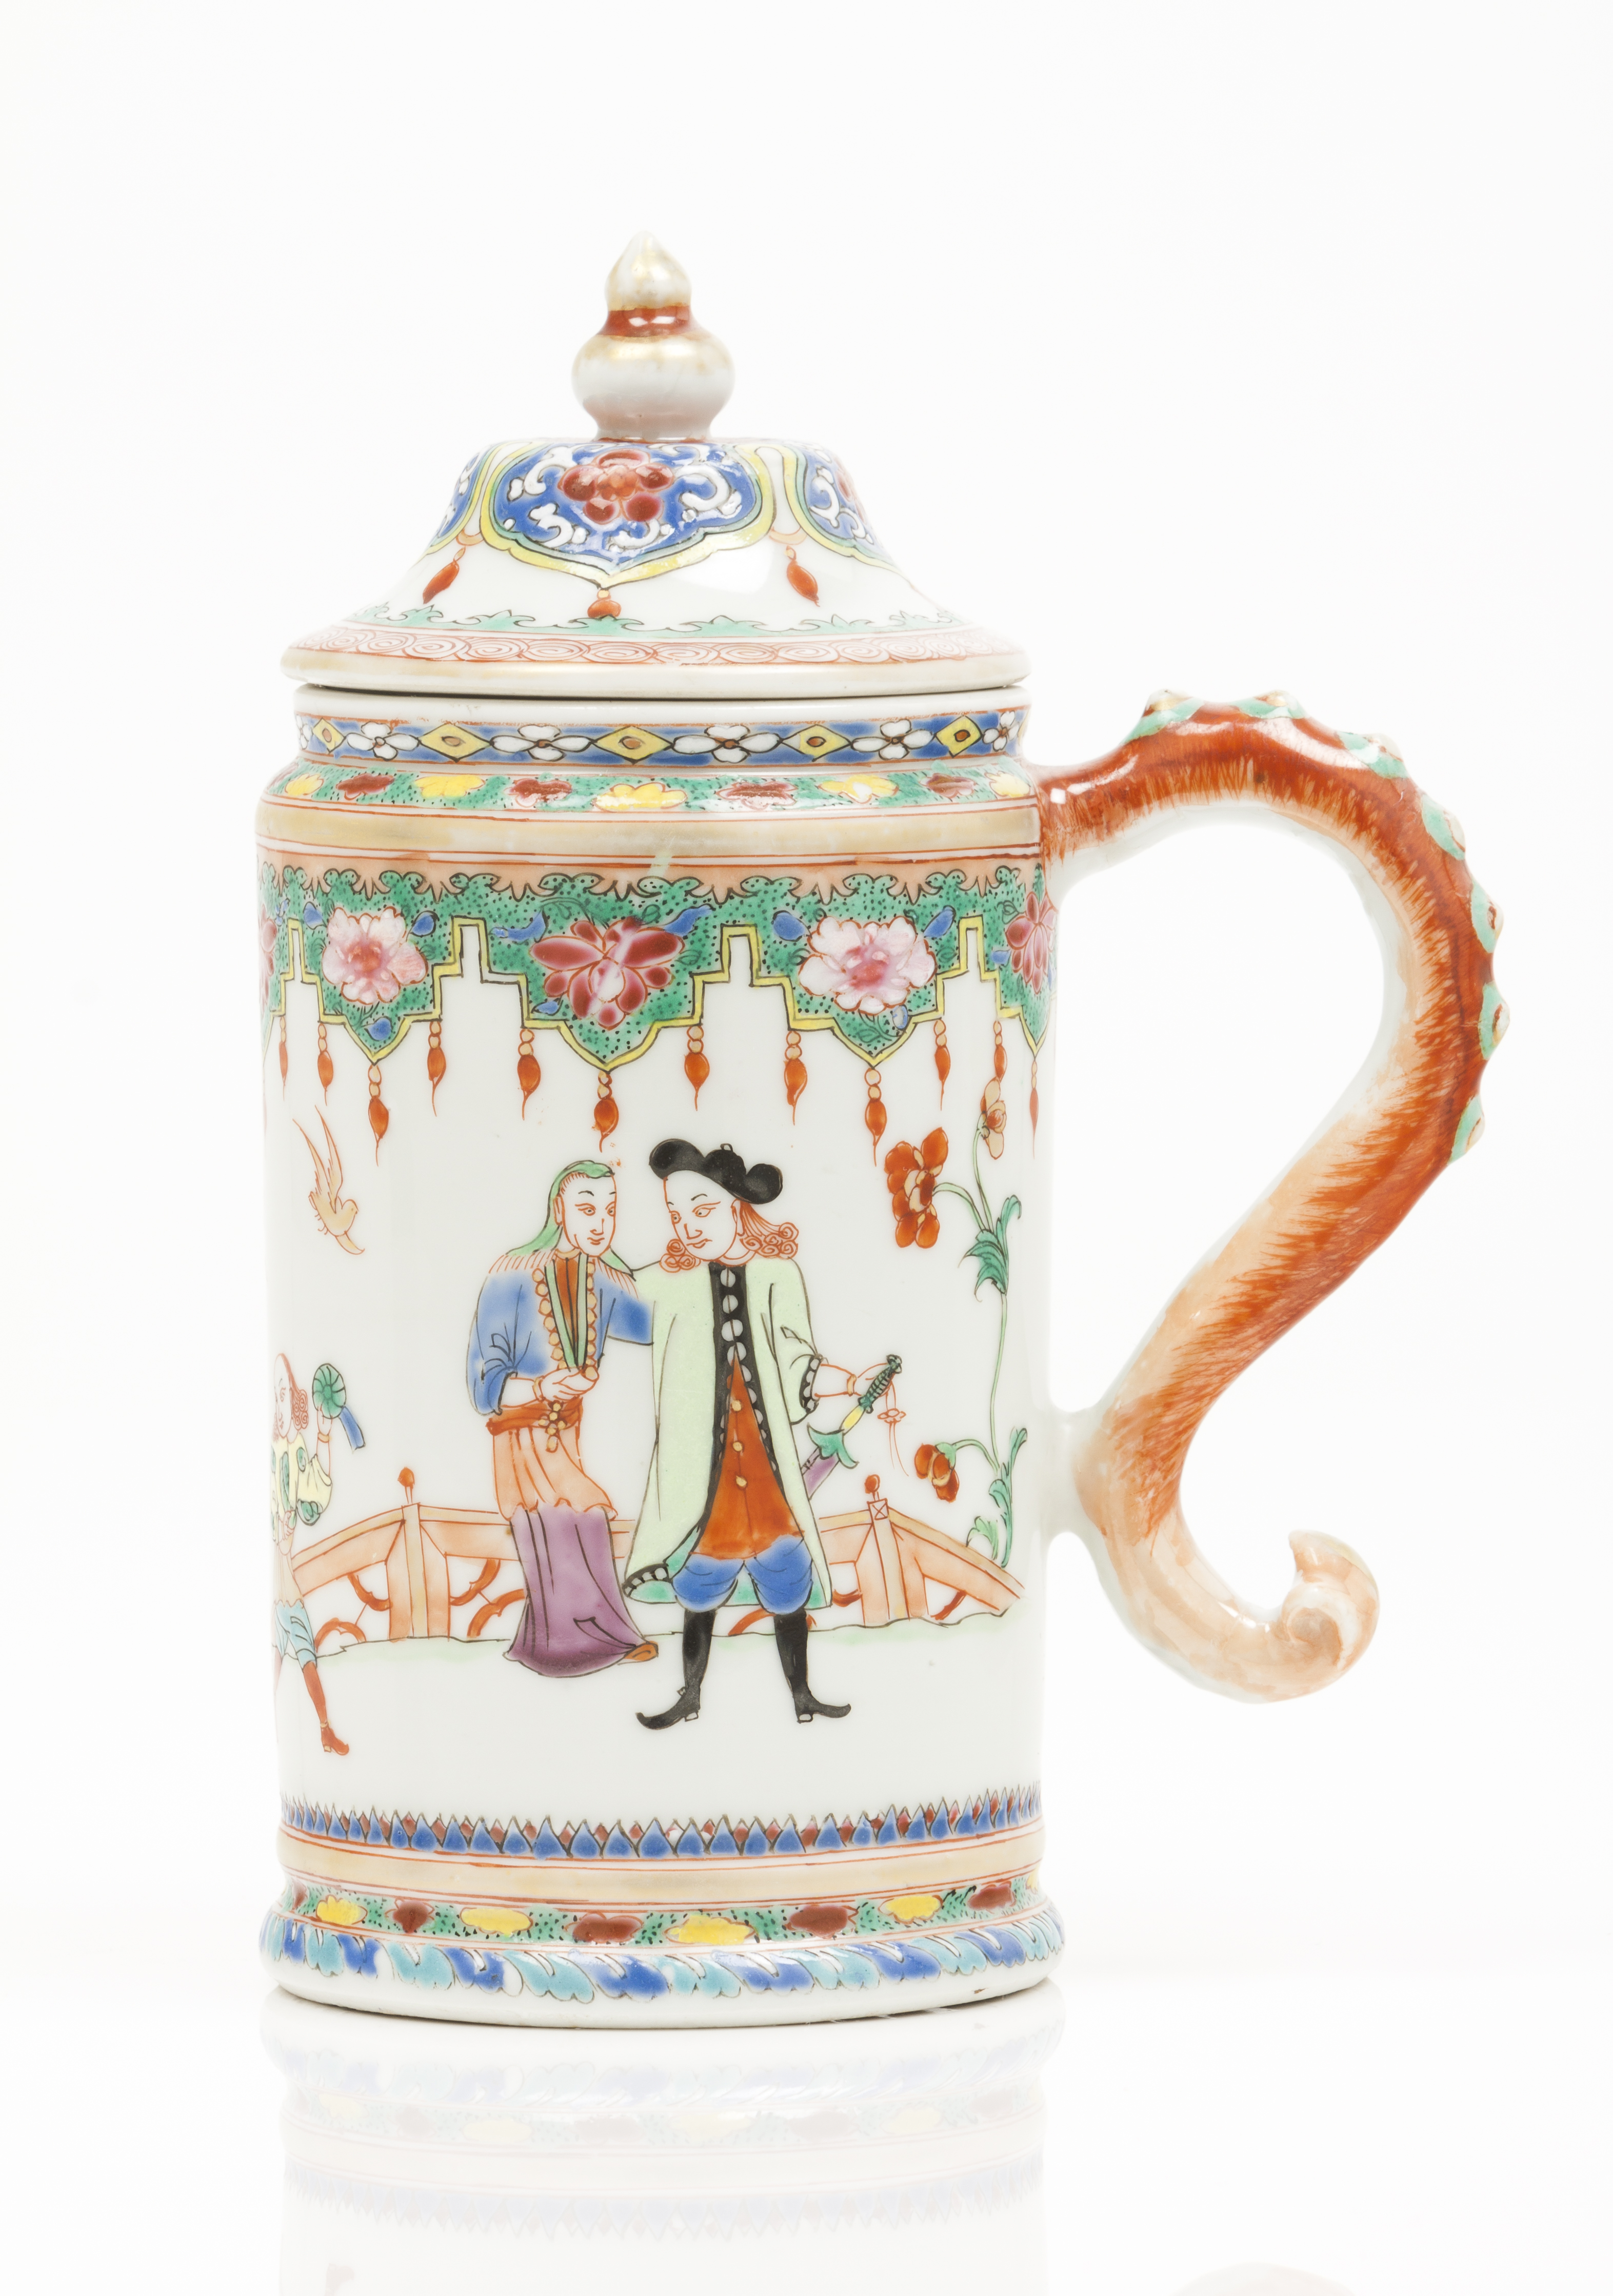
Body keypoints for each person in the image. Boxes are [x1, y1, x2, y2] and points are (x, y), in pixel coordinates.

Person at [625, 1140, 879, 1728]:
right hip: (706, 1485)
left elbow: (797, 1359)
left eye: (702, 1210)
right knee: (698, 1595)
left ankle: (801, 1695)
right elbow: (609, 1297)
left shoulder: (776, 1275)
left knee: (788, 1589)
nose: (688, 1227)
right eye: (676, 1216)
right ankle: (690, 1695)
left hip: (766, 1480)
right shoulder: (667, 1282)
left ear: (737, 1206)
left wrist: (851, 1382)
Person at [467, 1158, 656, 1678]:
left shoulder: (602, 1278)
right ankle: (579, 1643)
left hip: (566, 1429)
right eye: (587, 1208)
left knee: (572, 1520)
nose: (601, 1223)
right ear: (559, 1210)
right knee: (575, 1515)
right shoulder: (511, 1274)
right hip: (521, 1431)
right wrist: (540, 1386)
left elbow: (653, 1324)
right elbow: (483, 1378)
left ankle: (566, 1642)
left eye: (611, 1210)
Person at [271, 1353, 347, 1755]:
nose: (279, 1403)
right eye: (276, 1394)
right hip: (282, 1587)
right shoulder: (275, 1453)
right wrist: (281, 1537)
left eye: (285, 1394)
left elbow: (315, 1496)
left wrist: (324, 1435)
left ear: (296, 1399)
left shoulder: (295, 1451)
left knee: (306, 1661)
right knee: (285, 1660)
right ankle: (304, 1733)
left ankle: (324, 1730)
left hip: (289, 1591)